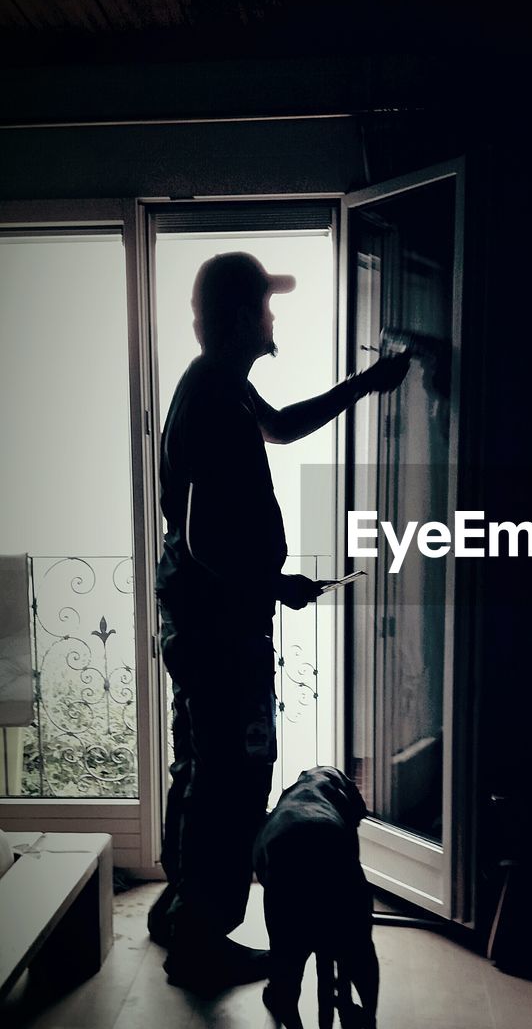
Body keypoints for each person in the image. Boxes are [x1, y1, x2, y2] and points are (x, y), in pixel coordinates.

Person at [147, 251, 408, 991]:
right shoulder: (214, 401)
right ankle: (202, 940)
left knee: (199, 767)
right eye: (265, 306)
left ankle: (180, 911)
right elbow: (200, 537)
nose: (272, 319)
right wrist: (274, 583)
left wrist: (364, 385)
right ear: (238, 318)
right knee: (233, 777)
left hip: (200, 625)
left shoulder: (218, 386)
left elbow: (286, 427)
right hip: (221, 631)